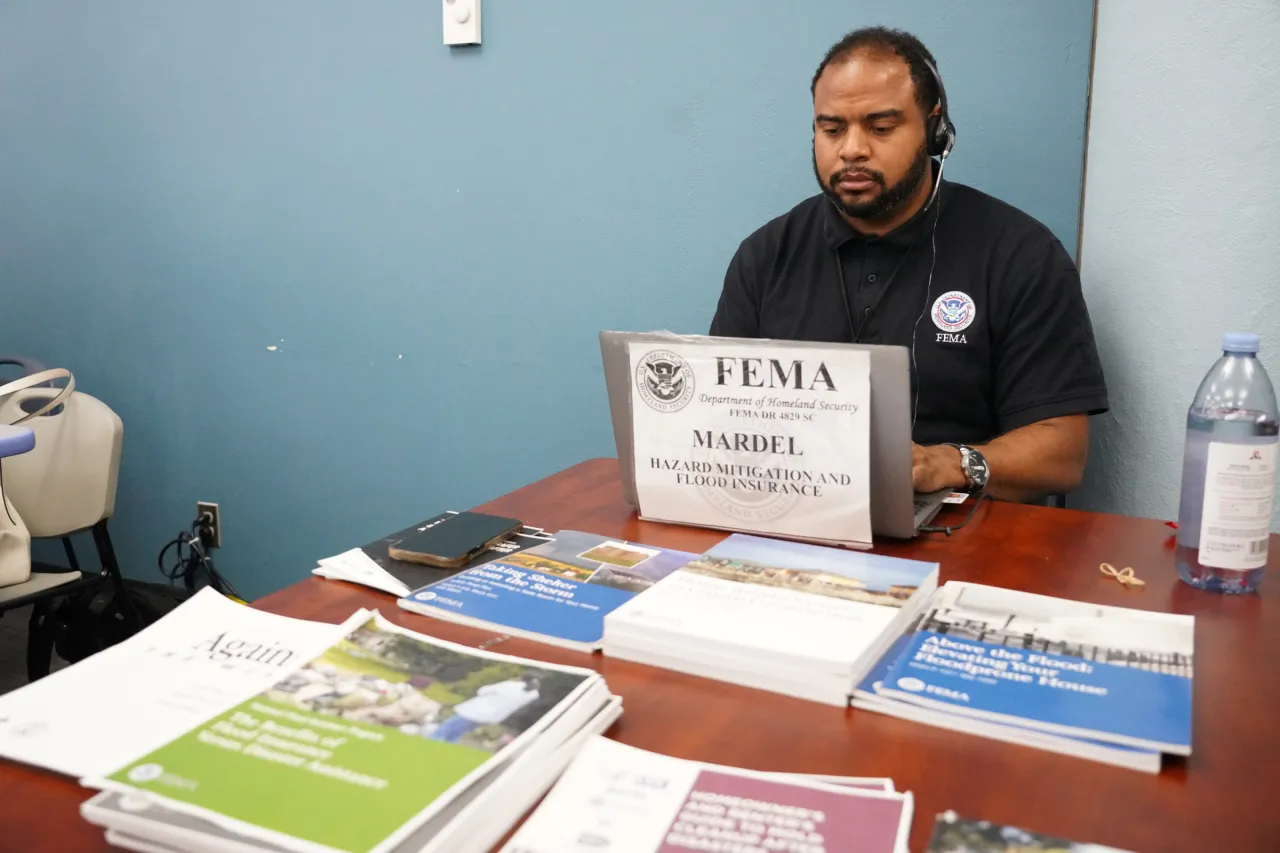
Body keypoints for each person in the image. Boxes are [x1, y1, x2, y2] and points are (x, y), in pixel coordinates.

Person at [709, 27, 1108, 503]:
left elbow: (1061, 454)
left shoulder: (1020, 254)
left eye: (880, 128)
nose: (852, 149)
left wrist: (946, 463)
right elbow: (720, 414)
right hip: (791, 519)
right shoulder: (766, 255)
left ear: (935, 129)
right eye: (832, 128)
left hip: (962, 536)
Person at [428, 674, 541, 745]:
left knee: (447, 727)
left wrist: (511, 681)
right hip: (492, 716)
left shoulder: (510, 685)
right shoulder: (532, 694)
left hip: (476, 711)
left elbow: (482, 691)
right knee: (459, 732)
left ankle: (431, 742)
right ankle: (448, 746)